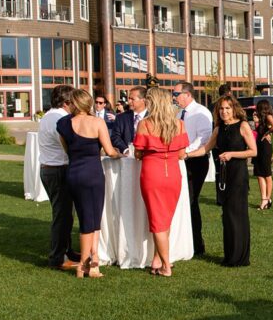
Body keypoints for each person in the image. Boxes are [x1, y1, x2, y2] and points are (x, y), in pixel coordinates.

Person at [57, 88, 121, 278]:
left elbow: (66, 149)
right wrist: (119, 153)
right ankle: (83, 266)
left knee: (90, 218)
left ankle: (95, 260)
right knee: (90, 221)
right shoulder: (97, 122)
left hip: (74, 173)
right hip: (92, 174)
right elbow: (109, 151)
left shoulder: (63, 124)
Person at [133, 86, 189, 277]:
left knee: (158, 220)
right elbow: (182, 154)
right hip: (172, 174)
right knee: (165, 218)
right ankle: (158, 259)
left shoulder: (146, 124)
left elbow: (138, 153)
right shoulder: (179, 124)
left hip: (152, 173)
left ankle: (166, 265)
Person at [207, 95, 256, 266]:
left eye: (227, 108)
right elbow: (205, 148)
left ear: (234, 109)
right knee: (227, 215)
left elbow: (253, 151)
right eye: (221, 109)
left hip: (238, 175)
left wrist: (231, 154)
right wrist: (184, 154)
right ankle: (230, 255)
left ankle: (240, 257)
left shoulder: (242, 126)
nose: (224, 112)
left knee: (237, 214)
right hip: (224, 175)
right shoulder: (218, 129)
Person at [38, 84, 79, 271]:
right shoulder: (60, 119)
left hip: (51, 168)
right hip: (57, 169)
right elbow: (69, 145)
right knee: (62, 215)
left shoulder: (49, 116)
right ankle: (57, 257)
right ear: (66, 102)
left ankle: (67, 249)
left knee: (66, 215)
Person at [176, 82, 214, 256]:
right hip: (182, 159)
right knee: (184, 201)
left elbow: (204, 139)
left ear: (187, 94)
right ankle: (185, 240)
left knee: (191, 200)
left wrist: (186, 152)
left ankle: (198, 244)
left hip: (196, 161)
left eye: (176, 94)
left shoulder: (201, 112)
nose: (174, 97)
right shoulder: (179, 113)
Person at [253, 99, 273, 209]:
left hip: (265, 148)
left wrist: (268, 133)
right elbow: (258, 132)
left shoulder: (268, 116)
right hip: (259, 147)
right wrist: (256, 122)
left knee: (267, 174)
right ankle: (264, 198)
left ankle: (267, 198)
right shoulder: (262, 119)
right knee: (260, 174)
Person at [110, 86, 147, 153]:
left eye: (132, 99)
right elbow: (115, 137)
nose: (129, 102)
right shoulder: (121, 118)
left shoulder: (154, 117)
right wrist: (126, 150)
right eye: (129, 98)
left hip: (148, 157)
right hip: (127, 159)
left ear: (143, 100)